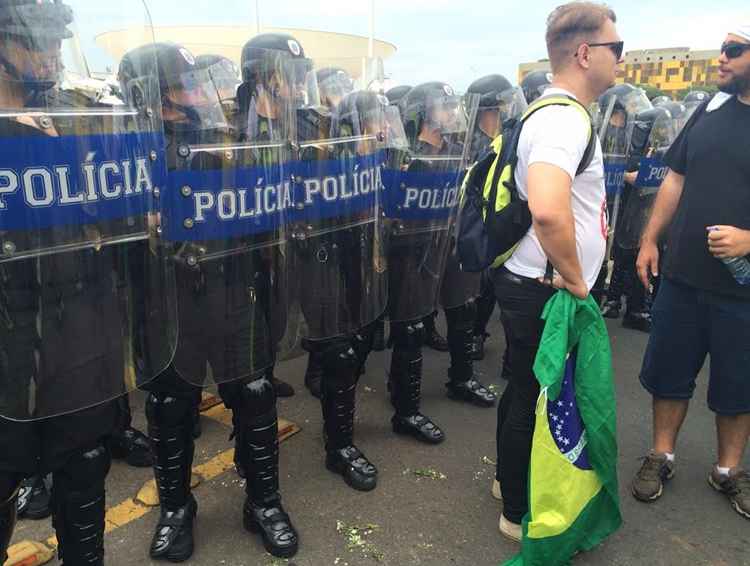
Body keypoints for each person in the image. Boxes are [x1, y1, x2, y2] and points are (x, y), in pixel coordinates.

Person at [0, 2, 175, 564]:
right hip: (8, 326)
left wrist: (142, 217)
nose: (50, 51)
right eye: (34, 39)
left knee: (84, 461)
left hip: (80, 316)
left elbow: (114, 205)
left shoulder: (77, 113)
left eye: (56, 39)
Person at [118, 40, 298, 561]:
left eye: (197, 83)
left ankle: (264, 502)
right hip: (167, 295)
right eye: (183, 84)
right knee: (171, 405)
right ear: (153, 94)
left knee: (256, 391)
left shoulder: (224, 138)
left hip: (229, 284)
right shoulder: (124, 147)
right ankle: (176, 509)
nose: (197, 93)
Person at [492, 2, 621, 540]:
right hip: (545, 287)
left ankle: (509, 483)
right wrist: (574, 278)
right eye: (617, 49)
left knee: (524, 385)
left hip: (534, 281)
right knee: (535, 391)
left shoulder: (554, 113)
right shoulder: (563, 119)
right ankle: (519, 512)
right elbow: (547, 208)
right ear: (585, 53)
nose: (621, 60)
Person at [632, 25, 750, 520]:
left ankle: (728, 470)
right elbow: (675, 177)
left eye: (733, 50)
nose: (720, 58)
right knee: (669, 373)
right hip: (682, 277)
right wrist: (648, 238)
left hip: (742, 292)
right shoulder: (710, 108)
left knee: (739, 383)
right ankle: (662, 455)